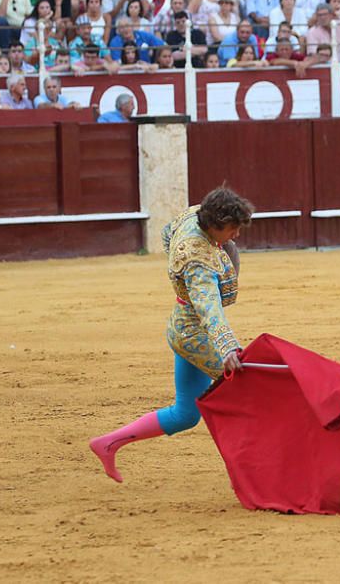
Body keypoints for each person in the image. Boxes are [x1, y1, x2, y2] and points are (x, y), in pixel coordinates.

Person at [89, 187, 254, 483]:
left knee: (185, 415)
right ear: (215, 224)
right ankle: (255, 468)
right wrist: (228, 347)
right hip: (195, 334)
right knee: (249, 387)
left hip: (182, 327)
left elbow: (168, 234)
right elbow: (209, 309)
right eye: (233, 229)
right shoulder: (198, 262)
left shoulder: (194, 214)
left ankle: (108, 443)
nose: (236, 235)